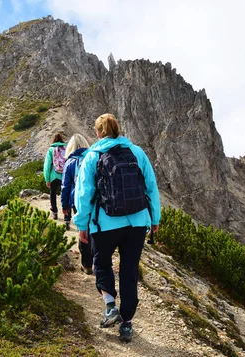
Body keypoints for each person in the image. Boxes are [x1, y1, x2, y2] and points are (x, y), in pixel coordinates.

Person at [73, 113, 161, 342]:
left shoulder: (93, 156)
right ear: (118, 130)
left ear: (98, 132)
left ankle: (110, 306)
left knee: (101, 263)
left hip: (105, 224)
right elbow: (151, 187)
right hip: (137, 223)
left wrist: (82, 225)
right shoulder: (137, 152)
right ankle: (128, 323)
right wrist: (155, 220)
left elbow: (84, 194)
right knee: (129, 270)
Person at [60, 134, 92, 274]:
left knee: (82, 230)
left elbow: (65, 186)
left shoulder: (70, 162)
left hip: (77, 201)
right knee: (95, 230)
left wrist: (64, 205)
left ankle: (87, 265)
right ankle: (98, 261)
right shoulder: (92, 158)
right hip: (94, 200)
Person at [43, 133, 67, 220]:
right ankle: (66, 215)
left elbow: (47, 165)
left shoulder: (51, 149)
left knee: (53, 193)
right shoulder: (66, 148)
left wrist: (47, 179)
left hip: (54, 176)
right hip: (64, 176)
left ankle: (55, 212)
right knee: (65, 194)